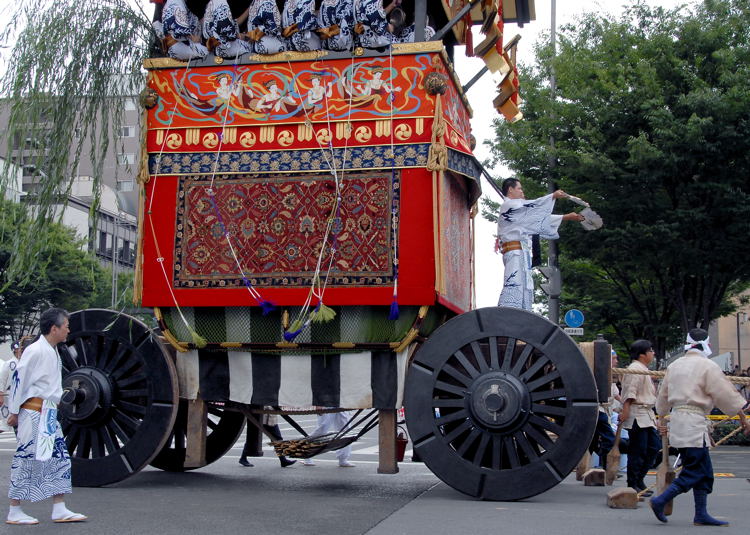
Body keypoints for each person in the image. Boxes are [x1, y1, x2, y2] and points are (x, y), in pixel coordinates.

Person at [650, 328, 750, 526]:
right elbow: (726, 395)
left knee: (705, 471)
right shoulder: (707, 366)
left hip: (680, 420)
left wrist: (661, 419)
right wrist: (743, 418)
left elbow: (662, 398)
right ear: (707, 344)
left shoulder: (674, 365)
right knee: (695, 470)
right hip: (693, 423)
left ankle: (700, 514)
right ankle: (660, 500)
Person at [6, 308, 86, 525]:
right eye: (66, 326)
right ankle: (14, 510)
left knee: (59, 459)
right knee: (26, 459)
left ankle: (59, 507)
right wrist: (14, 412)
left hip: (47, 413)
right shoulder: (36, 351)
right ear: (54, 328)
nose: (68, 330)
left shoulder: (50, 350)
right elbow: (19, 381)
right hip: (33, 412)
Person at [495, 178, 584, 310]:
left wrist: (566, 217)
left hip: (522, 254)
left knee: (525, 287)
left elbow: (539, 219)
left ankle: (522, 312)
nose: (522, 192)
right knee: (514, 283)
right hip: (514, 252)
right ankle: (508, 311)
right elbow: (533, 208)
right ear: (510, 189)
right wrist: (552, 196)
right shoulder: (509, 206)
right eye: (519, 188)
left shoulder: (518, 210)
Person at [619, 339, 660, 496]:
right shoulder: (635, 368)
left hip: (646, 414)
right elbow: (630, 392)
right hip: (637, 413)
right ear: (642, 354)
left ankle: (639, 479)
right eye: (650, 351)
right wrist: (626, 410)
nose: (653, 353)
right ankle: (633, 482)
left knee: (653, 447)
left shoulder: (643, 368)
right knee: (638, 450)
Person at [589, 349, 619, 468]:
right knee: (609, 439)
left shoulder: (608, 373)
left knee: (593, 440)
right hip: (598, 410)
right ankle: (603, 465)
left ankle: (589, 467)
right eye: (614, 358)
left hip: (603, 410)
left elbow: (616, 394)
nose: (616, 361)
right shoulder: (599, 372)